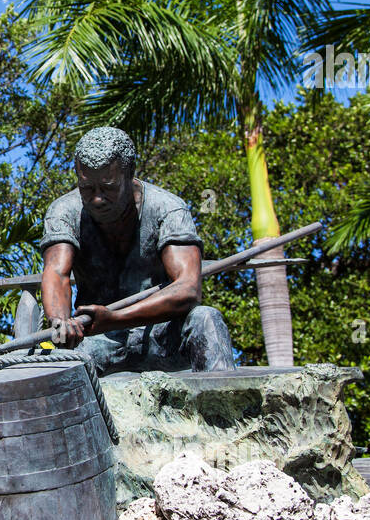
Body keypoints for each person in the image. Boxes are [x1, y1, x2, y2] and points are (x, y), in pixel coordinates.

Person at [40, 126, 235, 375]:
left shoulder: (169, 209)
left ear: (129, 174)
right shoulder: (64, 213)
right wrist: (60, 320)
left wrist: (116, 317)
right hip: (98, 338)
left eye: (108, 187)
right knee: (58, 363)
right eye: (87, 188)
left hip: (161, 334)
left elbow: (187, 289)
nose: (97, 199)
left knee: (206, 319)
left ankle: (221, 407)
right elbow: (57, 272)